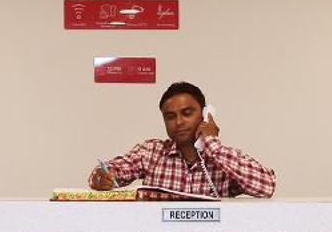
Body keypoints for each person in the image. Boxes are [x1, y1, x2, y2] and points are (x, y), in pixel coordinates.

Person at [88, 81, 276, 198]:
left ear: (204, 114)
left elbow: (266, 186)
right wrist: (102, 176)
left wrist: (212, 143)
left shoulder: (225, 159)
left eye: (187, 113)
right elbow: (114, 170)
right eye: (170, 117)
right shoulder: (151, 152)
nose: (178, 122)